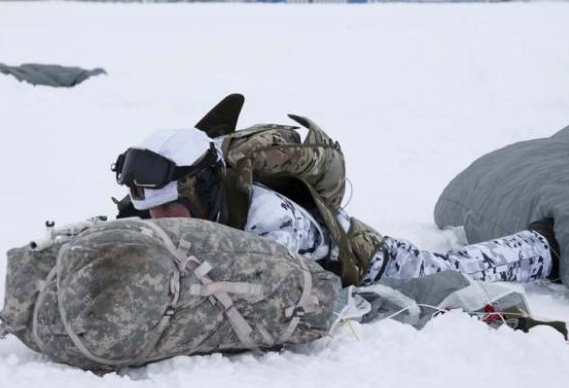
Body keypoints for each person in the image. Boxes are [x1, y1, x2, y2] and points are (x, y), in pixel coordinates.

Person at [112, 126, 561, 288]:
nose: (159, 221)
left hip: (362, 255)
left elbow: (266, 296)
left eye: (170, 210)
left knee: (446, 272)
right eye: (153, 211)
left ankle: (541, 248)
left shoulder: (270, 222)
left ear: (203, 189)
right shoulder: (167, 203)